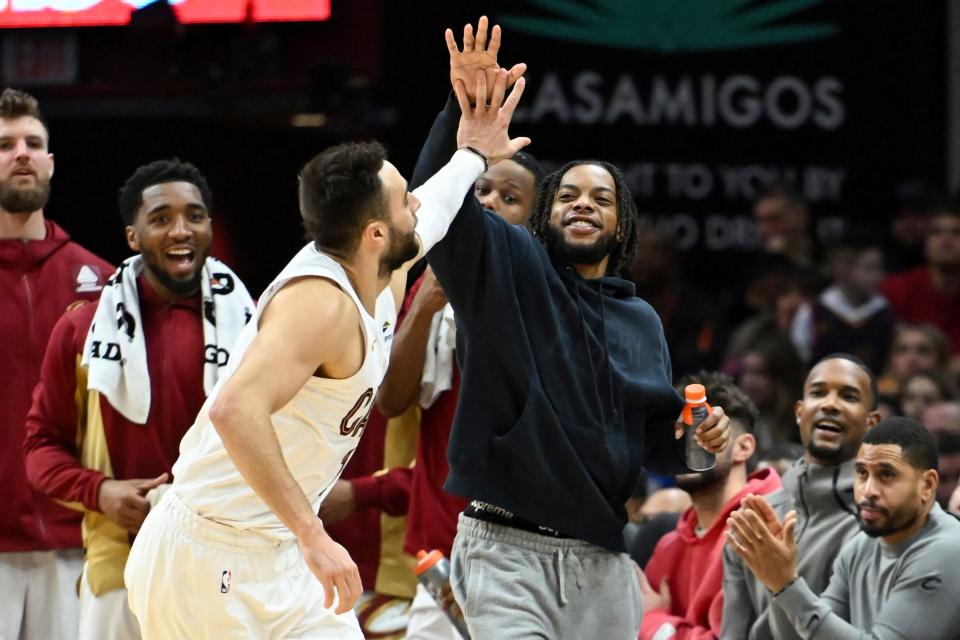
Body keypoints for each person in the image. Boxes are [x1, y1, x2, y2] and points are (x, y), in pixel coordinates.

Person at [123, 67, 529, 638]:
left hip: (276, 549)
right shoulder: (320, 304)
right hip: (210, 556)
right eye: (399, 199)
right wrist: (314, 535)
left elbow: (429, 214)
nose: (413, 201)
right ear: (375, 234)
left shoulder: (379, 267)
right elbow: (233, 410)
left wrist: (473, 155)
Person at [412, 19, 730, 639]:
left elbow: (659, 442)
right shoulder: (509, 269)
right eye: (568, 196)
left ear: (621, 227)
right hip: (504, 550)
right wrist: (463, 125)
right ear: (545, 215)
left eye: (601, 199)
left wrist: (699, 436)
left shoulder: (641, 321)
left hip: (603, 558)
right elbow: (440, 215)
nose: (583, 204)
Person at [22, 159, 254, 640]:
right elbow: (40, 446)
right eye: (161, 218)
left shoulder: (256, 328)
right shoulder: (81, 329)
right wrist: (100, 492)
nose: (180, 230)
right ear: (133, 236)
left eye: (194, 215)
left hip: (228, 559)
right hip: (120, 561)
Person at [0, 87, 113, 640]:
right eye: (4, 144)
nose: (20, 152)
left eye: (32, 142)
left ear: (50, 161)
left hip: (77, 541)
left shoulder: (105, 285)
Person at [727, 417, 960, 638]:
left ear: (927, 485)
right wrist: (777, 583)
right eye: (861, 473)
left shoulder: (948, 550)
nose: (868, 490)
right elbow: (801, 637)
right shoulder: (861, 546)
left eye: (886, 475)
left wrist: (787, 585)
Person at [721, 354, 881, 640]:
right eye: (818, 393)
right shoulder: (751, 521)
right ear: (799, 411)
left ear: (872, 422)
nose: (830, 404)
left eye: (849, 396)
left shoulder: (878, 524)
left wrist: (783, 583)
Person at [637, 371, 782, 640]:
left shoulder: (769, 528)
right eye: (681, 433)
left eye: (705, 430)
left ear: (744, 447)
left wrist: (655, 622)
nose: (690, 444)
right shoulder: (667, 546)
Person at [882, 203, 960, 365]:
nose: (946, 240)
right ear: (924, 243)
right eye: (936, 232)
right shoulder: (895, 289)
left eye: (956, 232)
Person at [807, 234, 895, 373]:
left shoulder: (887, 312)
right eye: (870, 268)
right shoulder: (812, 312)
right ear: (844, 269)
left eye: (880, 267)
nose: (879, 276)